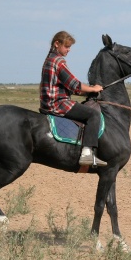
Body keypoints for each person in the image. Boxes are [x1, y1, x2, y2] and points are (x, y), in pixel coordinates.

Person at [40, 31, 107, 167]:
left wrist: (85, 92)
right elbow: (74, 84)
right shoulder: (58, 61)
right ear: (57, 44)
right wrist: (93, 89)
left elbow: (70, 88)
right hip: (57, 104)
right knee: (93, 115)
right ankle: (87, 153)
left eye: (69, 47)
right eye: (66, 46)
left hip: (48, 103)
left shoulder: (49, 59)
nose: (68, 50)